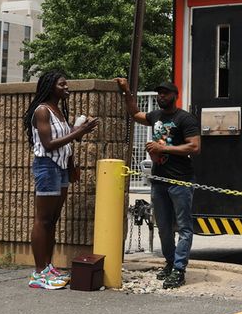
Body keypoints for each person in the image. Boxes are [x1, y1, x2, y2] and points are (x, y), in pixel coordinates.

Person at [116, 78, 200, 289]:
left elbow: (194, 147)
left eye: (166, 93)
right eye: (159, 93)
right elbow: (135, 114)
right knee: (163, 227)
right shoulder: (155, 116)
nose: (161, 96)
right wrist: (127, 91)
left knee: (183, 227)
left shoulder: (185, 119)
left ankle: (179, 270)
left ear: (175, 95)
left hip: (180, 180)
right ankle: (170, 263)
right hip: (159, 180)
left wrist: (163, 149)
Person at [23, 71, 99, 290]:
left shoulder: (59, 111)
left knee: (53, 219)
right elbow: (48, 144)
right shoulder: (42, 111)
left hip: (61, 167)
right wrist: (78, 132)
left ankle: (48, 267)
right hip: (46, 167)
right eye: (62, 85)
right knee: (43, 219)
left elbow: (65, 144)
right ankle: (38, 273)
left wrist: (72, 164)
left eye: (67, 84)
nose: (67, 88)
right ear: (50, 87)